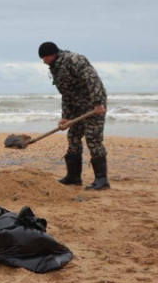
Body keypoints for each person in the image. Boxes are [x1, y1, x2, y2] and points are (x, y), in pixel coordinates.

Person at [38, 42, 109, 191]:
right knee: (73, 137)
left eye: (44, 58)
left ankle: (102, 180)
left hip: (93, 104)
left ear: (51, 55)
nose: (43, 61)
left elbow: (92, 79)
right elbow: (66, 94)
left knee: (93, 139)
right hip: (77, 106)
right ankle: (73, 177)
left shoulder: (74, 60)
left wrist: (97, 103)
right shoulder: (55, 68)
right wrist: (66, 117)